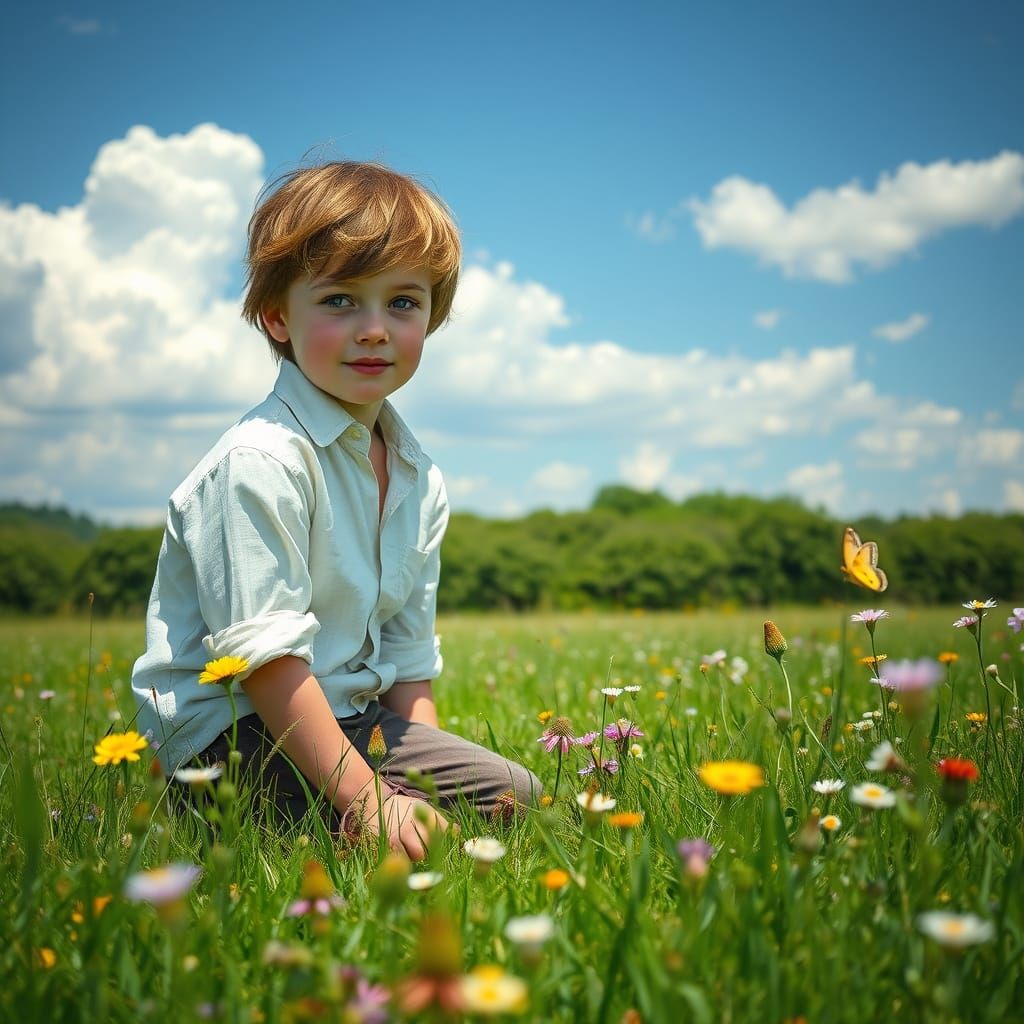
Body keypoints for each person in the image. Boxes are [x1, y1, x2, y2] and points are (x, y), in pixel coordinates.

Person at [132, 161, 540, 859]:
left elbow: (409, 655)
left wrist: (412, 777)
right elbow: (264, 663)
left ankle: (359, 817)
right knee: (372, 840)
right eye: (342, 301)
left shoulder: (416, 473)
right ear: (277, 315)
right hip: (234, 735)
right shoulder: (260, 462)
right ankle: (268, 828)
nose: (375, 330)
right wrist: (370, 798)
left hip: (355, 721)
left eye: (403, 303)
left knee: (515, 796)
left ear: (432, 317)